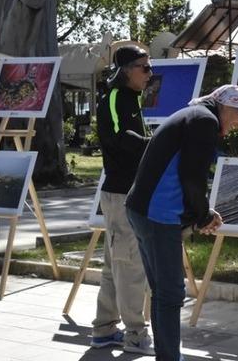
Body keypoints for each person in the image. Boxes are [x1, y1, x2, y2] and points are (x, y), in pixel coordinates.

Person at [126, 84, 238, 361]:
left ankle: (168, 355)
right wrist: (204, 215)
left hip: (142, 209)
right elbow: (192, 176)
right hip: (157, 214)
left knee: (163, 292)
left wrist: (199, 214)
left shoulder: (194, 114)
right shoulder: (205, 121)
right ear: (227, 105)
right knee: (171, 293)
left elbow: (183, 173)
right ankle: (170, 357)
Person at [91, 45, 154, 355]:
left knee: (114, 265)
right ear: (127, 69)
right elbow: (122, 138)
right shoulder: (116, 98)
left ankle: (104, 329)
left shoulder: (131, 98)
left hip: (126, 192)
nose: (149, 74)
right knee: (129, 265)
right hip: (120, 194)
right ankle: (135, 334)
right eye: (145, 68)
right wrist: (157, 145)